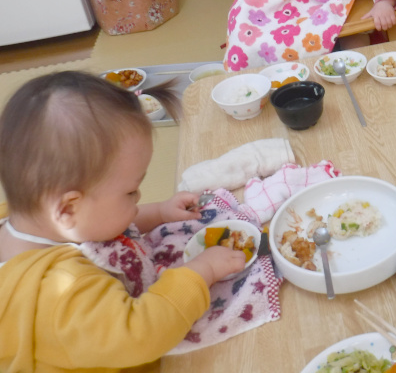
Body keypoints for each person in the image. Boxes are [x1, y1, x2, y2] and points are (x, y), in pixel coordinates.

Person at [0, 71, 246, 372]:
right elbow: (140, 335)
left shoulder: (42, 219)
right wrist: (201, 270)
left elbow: (107, 224)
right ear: (67, 208)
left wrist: (160, 212)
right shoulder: (63, 292)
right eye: (130, 191)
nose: (138, 197)